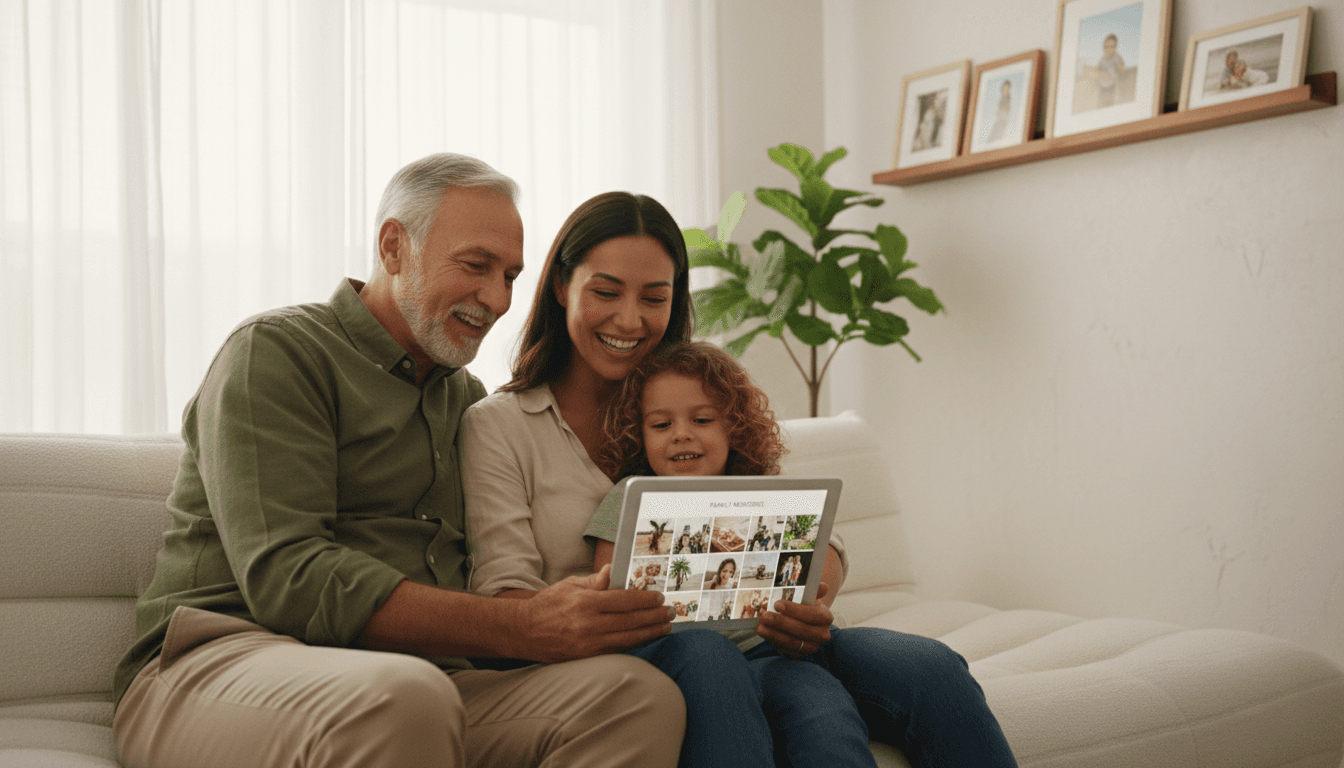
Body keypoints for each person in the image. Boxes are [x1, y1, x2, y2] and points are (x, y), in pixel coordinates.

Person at [110, 154, 685, 768]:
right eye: (475, 265)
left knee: (636, 696)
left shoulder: (466, 401)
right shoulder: (278, 353)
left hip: (418, 683)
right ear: (393, 247)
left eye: (511, 276)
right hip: (222, 661)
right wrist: (521, 627)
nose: (495, 299)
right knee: (405, 697)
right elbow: (289, 576)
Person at [583, 341, 1020, 768]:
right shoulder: (629, 497)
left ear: (733, 426)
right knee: (820, 715)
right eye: (660, 425)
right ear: (639, 434)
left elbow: (821, 553)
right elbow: (610, 580)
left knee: (921, 670)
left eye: (701, 419)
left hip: (792, 647)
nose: (681, 434)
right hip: (718, 663)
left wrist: (815, 599)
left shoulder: (763, 485)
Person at [460, 191, 782, 768]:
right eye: (605, 292)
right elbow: (504, 596)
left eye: (654, 298)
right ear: (562, 287)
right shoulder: (499, 427)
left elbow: (792, 516)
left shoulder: (693, 408)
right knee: (706, 655)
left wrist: (817, 589)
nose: (630, 320)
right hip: (600, 665)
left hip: (745, 645)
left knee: (927, 669)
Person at [1092, 33, 1125, 107]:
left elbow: (1121, 65)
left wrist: (1116, 70)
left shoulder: (1116, 57)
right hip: (1102, 85)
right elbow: (1097, 69)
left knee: (1110, 101)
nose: (1109, 49)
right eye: (1107, 47)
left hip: (1111, 85)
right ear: (1104, 47)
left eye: (1112, 47)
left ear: (1115, 47)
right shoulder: (1102, 59)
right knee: (1101, 101)